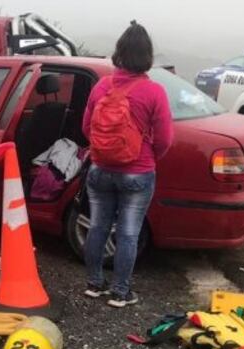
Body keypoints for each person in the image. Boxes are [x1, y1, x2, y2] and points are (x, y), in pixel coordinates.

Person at [81, 21, 173, 308]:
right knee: (128, 232)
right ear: (148, 56)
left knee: (97, 227)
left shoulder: (101, 86)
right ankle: (121, 292)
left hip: (99, 169)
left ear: (119, 52)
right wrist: (149, 158)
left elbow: (86, 128)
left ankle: (94, 284)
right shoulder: (154, 91)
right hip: (138, 171)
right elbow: (165, 139)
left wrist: (104, 150)